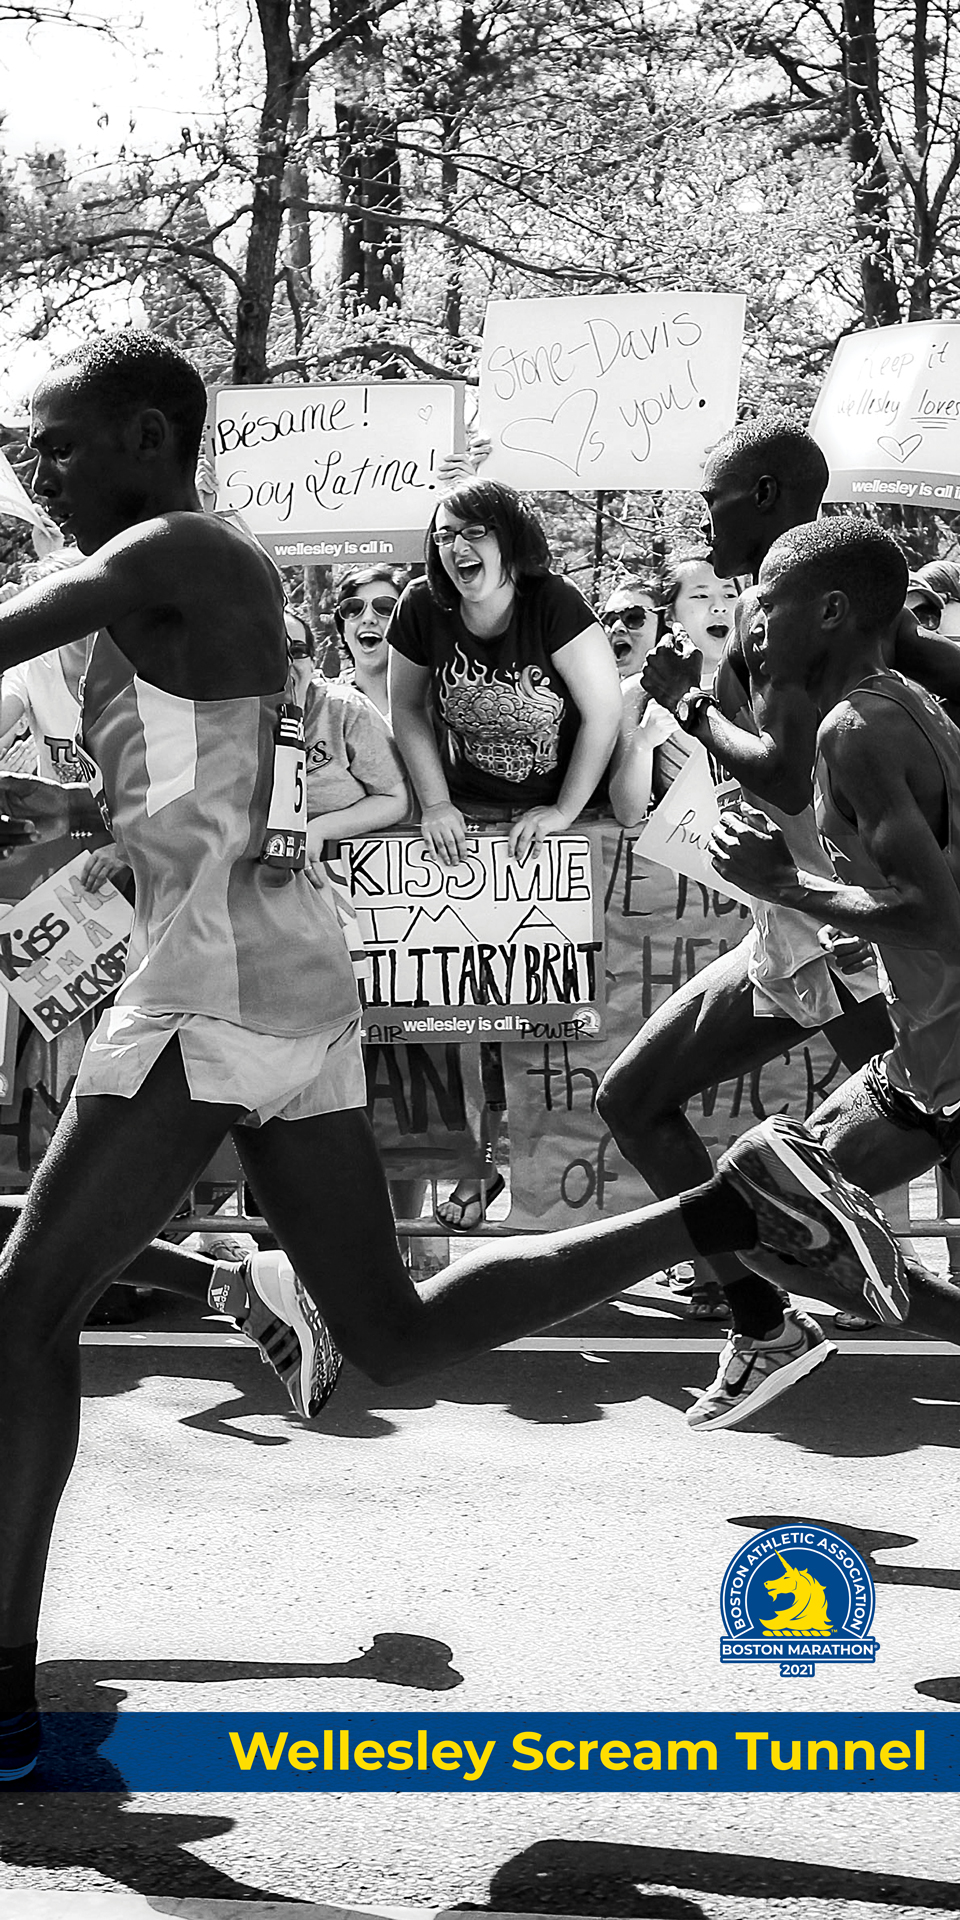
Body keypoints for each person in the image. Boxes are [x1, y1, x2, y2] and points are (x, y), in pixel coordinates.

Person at [0, 334, 912, 1788]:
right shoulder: (172, 584)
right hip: (265, 976)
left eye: (55, 443)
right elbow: (181, 778)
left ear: (153, 435)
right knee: (399, 1339)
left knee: (17, 1319)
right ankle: (732, 1211)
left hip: (213, 984)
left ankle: (1, 1695)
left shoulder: (174, 543)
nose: (33, 469)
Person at [597, 416, 897, 1402]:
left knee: (852, 1168)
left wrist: (687, 706)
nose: (702, 518)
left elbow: (785, 769)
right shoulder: (785, 602)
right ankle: (763, 1323)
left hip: (856, 937)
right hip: (791, 932)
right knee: (633, 1101)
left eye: (713, 499)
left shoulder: (811, 607)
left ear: (765, 496)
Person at [703, 514, 960, 1391]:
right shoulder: (900, 704)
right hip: (931, 1057)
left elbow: (937, 917)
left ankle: (775, 1338)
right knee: (772, 1201)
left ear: (833, 609)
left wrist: (787, 884)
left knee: (766, 1204)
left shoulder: (856, 729)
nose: (752, 624)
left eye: (768, 606)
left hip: (951, 1061)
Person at [389, 478, 623, 1229]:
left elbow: (603, 710)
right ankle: (479, 1166)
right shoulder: (421, 608)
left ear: (511, 541)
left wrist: (563, 808)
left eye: (475, 531)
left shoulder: (553, 602)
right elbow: (406, 708)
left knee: (560, 1018)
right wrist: (434, 803)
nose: (458, 547)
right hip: (468, 820)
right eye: (445, 533)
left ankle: (570, 1194)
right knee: (465, 1017)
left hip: (556, 826)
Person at [333, 564, 408, 717]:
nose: (368, 619)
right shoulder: (326, 705)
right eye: (354, 609)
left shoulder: (438, 701)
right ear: (343, 630)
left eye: (384, 608)